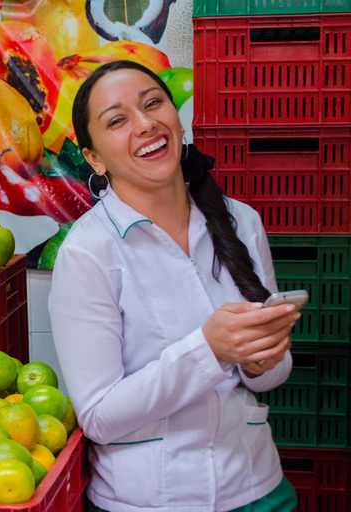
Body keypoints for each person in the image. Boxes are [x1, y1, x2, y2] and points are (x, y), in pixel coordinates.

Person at [48, 60, 299, 512]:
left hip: (258, 487)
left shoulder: (241, 221)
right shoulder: (88, 251)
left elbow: (273, 376)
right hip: (148, 501)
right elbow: (99, 417)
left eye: (153, 103)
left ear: (176, 117)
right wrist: (210, 348)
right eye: (118, 120)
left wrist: (262, 361)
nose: (145, 124)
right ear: (94, 158)